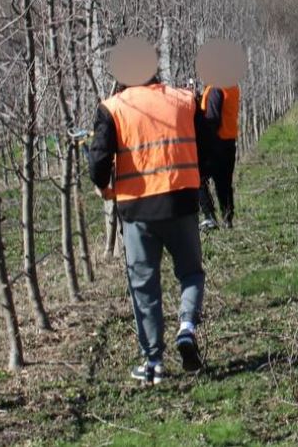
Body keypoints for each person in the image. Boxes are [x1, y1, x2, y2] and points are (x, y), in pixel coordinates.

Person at [88, 72, 209, 385]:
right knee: (191, 273)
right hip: (182, 202)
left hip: (138, 209)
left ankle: (153, 361)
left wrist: (103, 187)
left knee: (144, 285)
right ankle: (187, 328)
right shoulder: (183, 99)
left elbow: (98, 161)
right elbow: (206, 143)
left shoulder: (113, 107)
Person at [198, 82, 240, 230]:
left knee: (198, 177)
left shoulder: (216, 88)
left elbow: (213, 119)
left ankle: (209, 216)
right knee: (224, 183)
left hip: (216, 142)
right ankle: (227, 217)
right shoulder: (232, 87)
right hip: (229, 142)